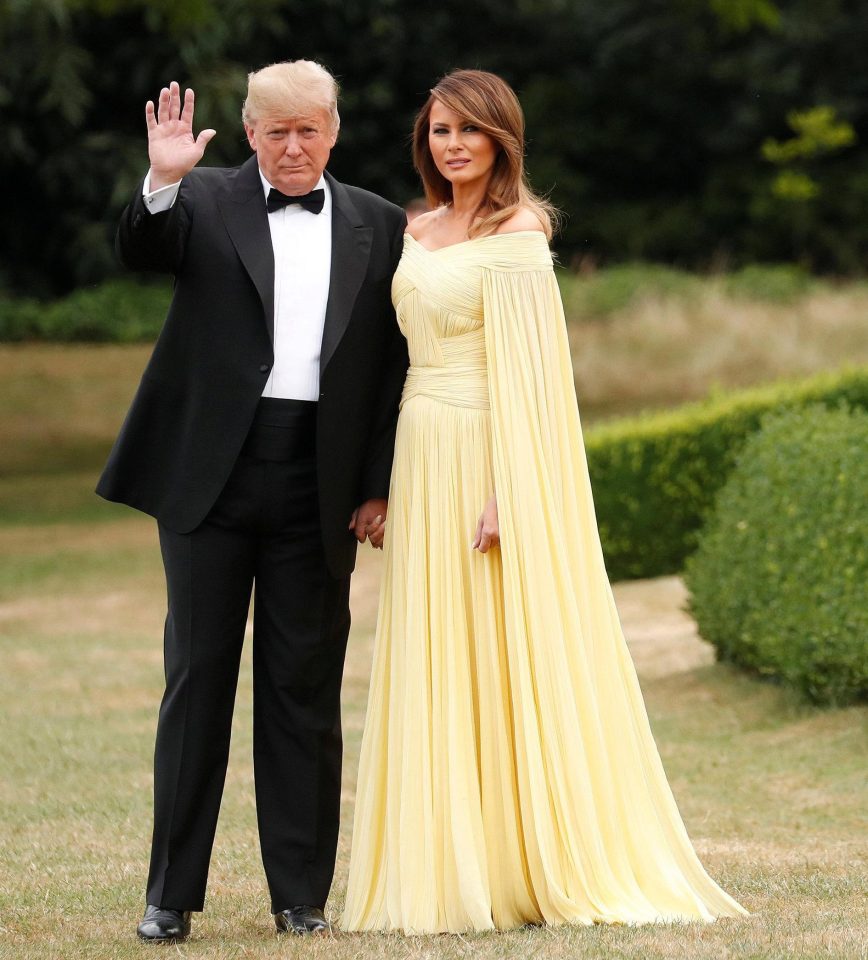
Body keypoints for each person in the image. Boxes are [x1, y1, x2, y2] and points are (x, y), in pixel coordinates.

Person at [342, 69, 748, 934]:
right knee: (433, 652)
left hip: (489, 455)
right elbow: (387, 366)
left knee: (498, 653)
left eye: (469, 131)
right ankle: (453, 864)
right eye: (440, 130)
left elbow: (536, 381)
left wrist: (509, 492)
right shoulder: (412, 228)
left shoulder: (520, 232)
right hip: (421, 449)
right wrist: (376, 482)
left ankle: (524, 861)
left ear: (501, 140)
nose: (452, 144)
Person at [96, 60, 408, 941]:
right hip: (210, 479)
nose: (295, 146)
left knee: (303, 688)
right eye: (278, 132)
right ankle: (169, 897)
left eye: (310, 129)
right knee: (196, 679)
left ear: (334, 130)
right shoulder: (198, 201)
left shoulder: (380, 226)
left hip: (323, 482)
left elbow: (392, 368)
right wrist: (160, 179)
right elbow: (138, 250)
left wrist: (377, 483)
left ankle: (300, 896)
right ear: (250, 134)